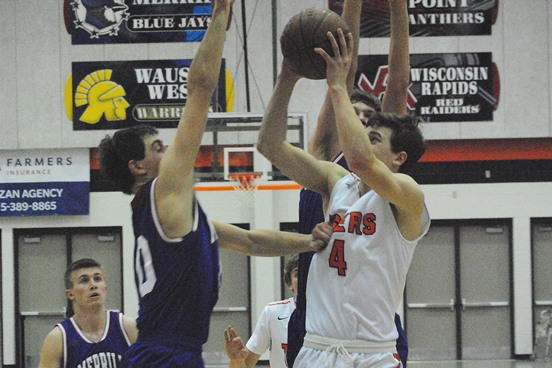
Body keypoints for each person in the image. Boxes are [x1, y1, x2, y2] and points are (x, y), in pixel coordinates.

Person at [97, 1, 333, 367]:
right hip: (165, 354)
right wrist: (221, 13)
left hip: (171, 352)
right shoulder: (163, 193)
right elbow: (201, 87)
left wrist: (309, 242)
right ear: (138, 167)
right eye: (157, 148)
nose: (169, 152)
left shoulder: (175, 217)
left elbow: (251, 240)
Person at [256, 25, 429, 367]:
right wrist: (287, 77)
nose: (363, 141)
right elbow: (269, 145)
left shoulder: (408, 195)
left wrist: (337, 85)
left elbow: (363, 161)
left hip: (373, 354)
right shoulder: (336, 182)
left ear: (399, 159)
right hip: (317, 348)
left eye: (374, 138)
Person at [287, 0, 412, 366]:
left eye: (367, 118)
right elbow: (342, 74)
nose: (357, 121)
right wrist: (351, 6)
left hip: (371, 329)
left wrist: (399, 10)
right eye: (352, 113)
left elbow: (399, 85)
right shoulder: (324, 160)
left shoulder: (379, 172)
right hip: (316, 322)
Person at [38, 258, 138, 368]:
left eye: (97, 278)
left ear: (105, 287)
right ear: (70, 294)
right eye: (84, 280)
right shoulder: (58, 338)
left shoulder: (128, 327)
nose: (93, 285)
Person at [225, 255, 299, 368]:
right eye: (298, 274)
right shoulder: (273, 313)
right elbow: (245, 364)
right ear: (289, 283)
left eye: (309, 273)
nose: (304, 278)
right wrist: (237, 361)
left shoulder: (333, 314)